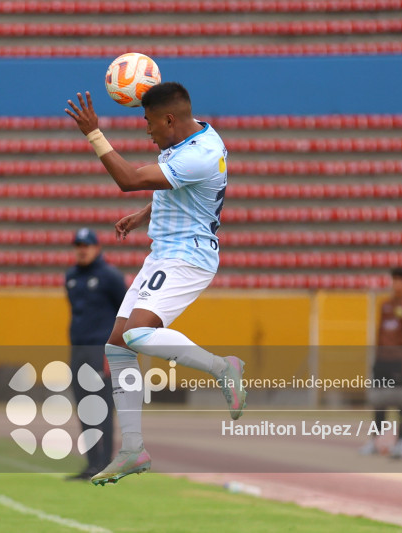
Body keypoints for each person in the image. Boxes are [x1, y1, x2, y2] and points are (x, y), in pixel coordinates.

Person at [65, 82, 247, 486]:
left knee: (138, 334)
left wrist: (94, 133)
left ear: (168, 119)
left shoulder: (201, 154)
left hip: (189, 257)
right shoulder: (194, 133)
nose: (146, 131)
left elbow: (129, 178)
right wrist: (142, 215)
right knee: (116, 346)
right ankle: (132, 449)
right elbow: (176, 188)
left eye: (148, 123)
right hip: (165, 252)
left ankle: (223, 368)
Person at [64, 227, 127, 480]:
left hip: (100, 349)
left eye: (86, 245)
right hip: (78, 347)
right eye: (78, 245)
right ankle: (92, 464)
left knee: (102, 404)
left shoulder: (110, 276)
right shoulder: (71, 277)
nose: (82, 250)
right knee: (84, 405)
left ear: (97, 248)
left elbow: (125, 310)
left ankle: (106, 462)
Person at [361, 266, 402, 459]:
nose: (397, 284)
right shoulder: (385, 305)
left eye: (401, 280)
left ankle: (401, 441)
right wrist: (376, 359)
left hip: (400, 361)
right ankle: (376, 440)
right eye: (394, 280)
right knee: (380, 402)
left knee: (401, 403)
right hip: (382, 361)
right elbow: (379, 334)